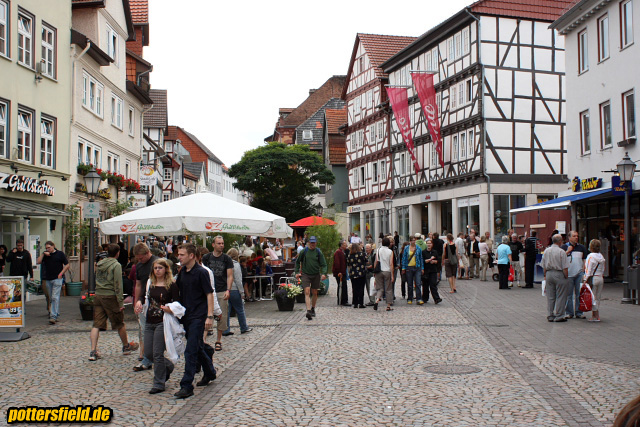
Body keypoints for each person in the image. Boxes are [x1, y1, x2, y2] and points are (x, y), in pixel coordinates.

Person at [173, 243, 217, 399]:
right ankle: (210, 372)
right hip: (187, 316)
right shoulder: (183, 272)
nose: (179, 257)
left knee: (190, 350)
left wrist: (210, 316)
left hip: (198, 316)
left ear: (191, 256)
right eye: (179, 254)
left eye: (182, 255)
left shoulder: (201, 272)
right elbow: (177, 290)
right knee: (197, 347)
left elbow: (209, 294)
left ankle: (186, 385)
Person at [90, 244, 139, 361]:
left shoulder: (100, 264)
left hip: (99, 294)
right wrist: (120, 302)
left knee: (96, 324)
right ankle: (126, 346)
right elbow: (118, 284)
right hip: (110, 296)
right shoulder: (116, 265)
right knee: (119, 323)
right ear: (118, 253)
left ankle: (93, 351)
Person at [201, 236, 234, 352]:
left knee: (222, 316)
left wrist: (228, 290)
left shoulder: (227, 259)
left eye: (222, 243)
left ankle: (218, 340)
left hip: (221, 290)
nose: (221, 245)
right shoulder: (206, 258)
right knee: (206, 315)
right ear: (213, 245)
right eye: (219, 243)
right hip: (208, 290)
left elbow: (230, 276)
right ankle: (203, 340)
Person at [132, 243, 158, 371]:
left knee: (154, 330)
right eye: (138, 258)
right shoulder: (139, 266)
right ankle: (146, 356)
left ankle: (152, 356)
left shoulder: (157, 263)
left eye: (141, 258)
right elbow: (138, 285)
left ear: (148, 253)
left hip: (156, 302)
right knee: (144, 329)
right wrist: (136, 301)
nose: (140, 260)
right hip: (143, 302)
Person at [36, 241, 70, 325]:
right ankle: (56, 313)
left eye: (49, 247)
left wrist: (61, 274)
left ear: (53, 246)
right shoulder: (46, 255)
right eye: (46, 248)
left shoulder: (60, 254)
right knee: (51, 298)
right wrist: (43, 254)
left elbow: (67, 265)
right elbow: (38, 262)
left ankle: (53, 316)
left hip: (57, 278)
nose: (48, 249)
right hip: (48, 279)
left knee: (55, 297)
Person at [295, 236, 327, 320]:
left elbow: (324, 264)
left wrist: (324, 273)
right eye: (311, 242)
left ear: (316, 243)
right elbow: (297, 262)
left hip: (316, 274)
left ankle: (313, 308)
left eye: (314, 242)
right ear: (309, 243)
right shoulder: (304, 251)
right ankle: (308, 311)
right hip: (306, 274)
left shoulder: (318, 252)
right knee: (307, 291)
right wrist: (297, 272)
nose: (312, 244)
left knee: (315, 292)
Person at [541, 234, 570, 322]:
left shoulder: (546, 251)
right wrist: (566, 276)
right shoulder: (561, 252)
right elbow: (565, 267)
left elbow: (544, 265)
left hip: (549, 273)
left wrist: (545, 275)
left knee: (550, 296)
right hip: (559, 273)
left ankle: (550, 314)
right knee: (561, 295)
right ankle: (559, 315)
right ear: (560, 241)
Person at [223, 248, 252, 335]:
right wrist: (242, 292)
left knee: (226, 311)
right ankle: (244, 327)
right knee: (240, 309)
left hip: (225, 289)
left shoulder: (224, 263)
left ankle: (225, 329)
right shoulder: (235, 265)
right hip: (234, 289)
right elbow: (238, 280)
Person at [562, 231, 588, 319]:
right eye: (574, 236)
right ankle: (569, 312)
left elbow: (585, 260)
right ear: (569, 237)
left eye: (577, 236)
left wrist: (583, 270)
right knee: (569, 295)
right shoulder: (564, 247)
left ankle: (579, 312)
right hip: (568, 274)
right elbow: (560, 258)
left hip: (579, 273)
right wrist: (568, 251)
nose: (576, 237)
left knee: (579, 294)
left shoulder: (581, 247)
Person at [584, 239, 605, 322]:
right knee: (598, 297)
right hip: (600, 277)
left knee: (592, 297)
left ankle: (595, 315)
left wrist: (585, 279)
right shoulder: (601, 256)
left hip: (593, 278)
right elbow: (603, 269)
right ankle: (596, 314)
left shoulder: (590, 256)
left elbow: (588, 269)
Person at [373, 237, 394, 311]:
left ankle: (377, 300)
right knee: (388, 289)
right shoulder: (390, 251)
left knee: (380, 288)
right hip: (387, 271)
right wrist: (392, 275)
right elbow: (391, 264)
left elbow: (376, 261)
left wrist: (374, 271)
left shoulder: (378, 250)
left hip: (379, 271)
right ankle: (388, 305)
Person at [402, 236, 424, 304]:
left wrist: (422, 268)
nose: (413, 242)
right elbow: (404, 258)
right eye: (412, 240)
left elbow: (421, 258)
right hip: (409, 267)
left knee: (418, 283)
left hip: (417, 267)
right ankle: (410, 298)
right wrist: (403, 268)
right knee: (410, 284)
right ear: (410, 241)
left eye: (414, 240)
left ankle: (419, 298)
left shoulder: (418, 248)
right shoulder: (406, 248)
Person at [346, 243, 367, 308]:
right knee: (361, 288)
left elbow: (348, 263)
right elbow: (366, 260)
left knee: (354, 288)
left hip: (353, 273)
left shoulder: (350, 255)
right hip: (361, 273)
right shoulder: (362, 254)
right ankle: (361, 303)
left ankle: (355, 303)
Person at [421, 239, 442, 304]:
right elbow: (422, 261)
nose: (429, 245)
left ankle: (436, 298)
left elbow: (438, 261)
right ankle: (425, 298)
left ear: (432, 244)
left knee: (433, 284)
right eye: (428, 243)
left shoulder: (435, 252)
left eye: (430, 243)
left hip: (433, 270)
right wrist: (426, 261)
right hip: (426, 271)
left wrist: (435, 261)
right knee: (425, 285)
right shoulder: (423, 252)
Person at [332, 240, 349, 307]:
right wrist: (339, 271)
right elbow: (337, 263)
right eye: (345, 244)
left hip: (343, 271)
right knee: (342, 285)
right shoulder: (338, 252)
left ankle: (343, 300)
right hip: (340, 273)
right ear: (341, 245)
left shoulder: (342, 252)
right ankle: (342, 300)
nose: (346, 245)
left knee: (343, 285)